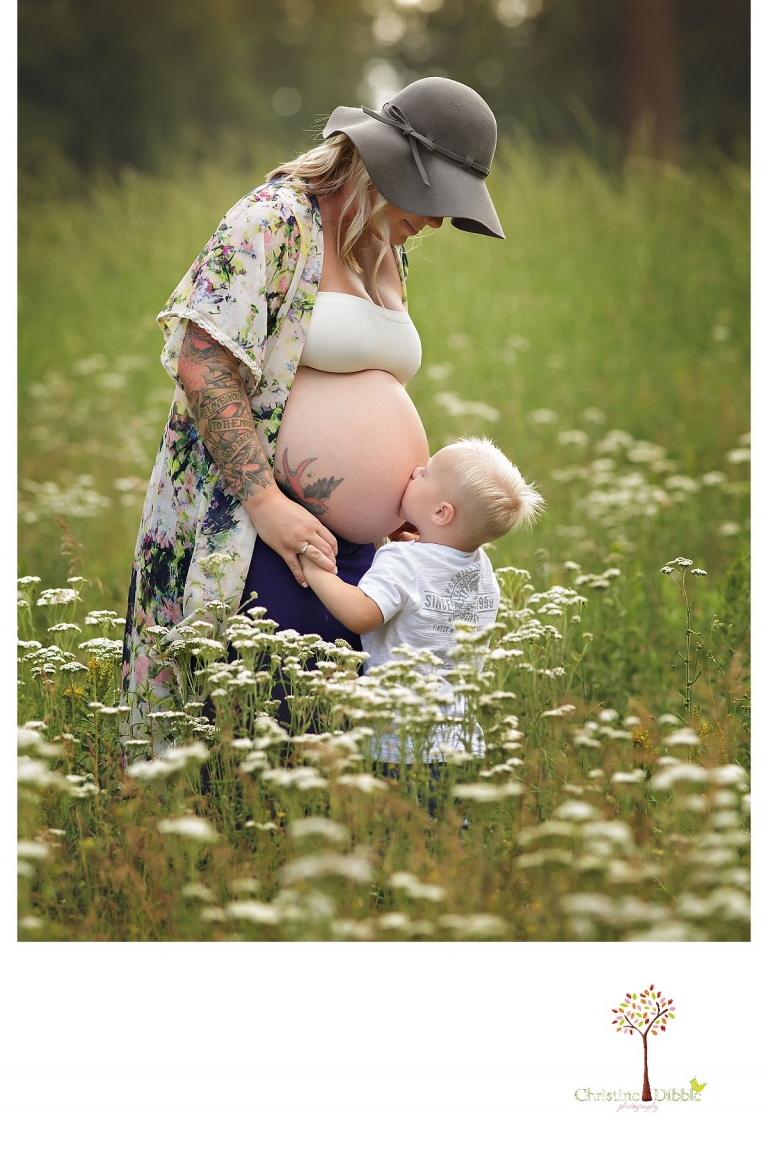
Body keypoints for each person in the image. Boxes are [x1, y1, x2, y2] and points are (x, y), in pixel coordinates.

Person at [121, 76, 506, 732]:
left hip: (363, 555)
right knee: (248, 738)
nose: (441, 220)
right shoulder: (271, 221)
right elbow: (202, 363)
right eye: (439, 197)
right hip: (262, 531)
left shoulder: (385, 248)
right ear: (390, 164)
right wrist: (268, 506)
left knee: (330, 750)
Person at [297, 436, 543, 762]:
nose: (414, 471)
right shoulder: (482, 570)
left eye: (425, 473)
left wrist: (317, 572)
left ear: (441, 512)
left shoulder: (403, 561)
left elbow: (362, 614)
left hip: (400, 743)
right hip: (460, 741)